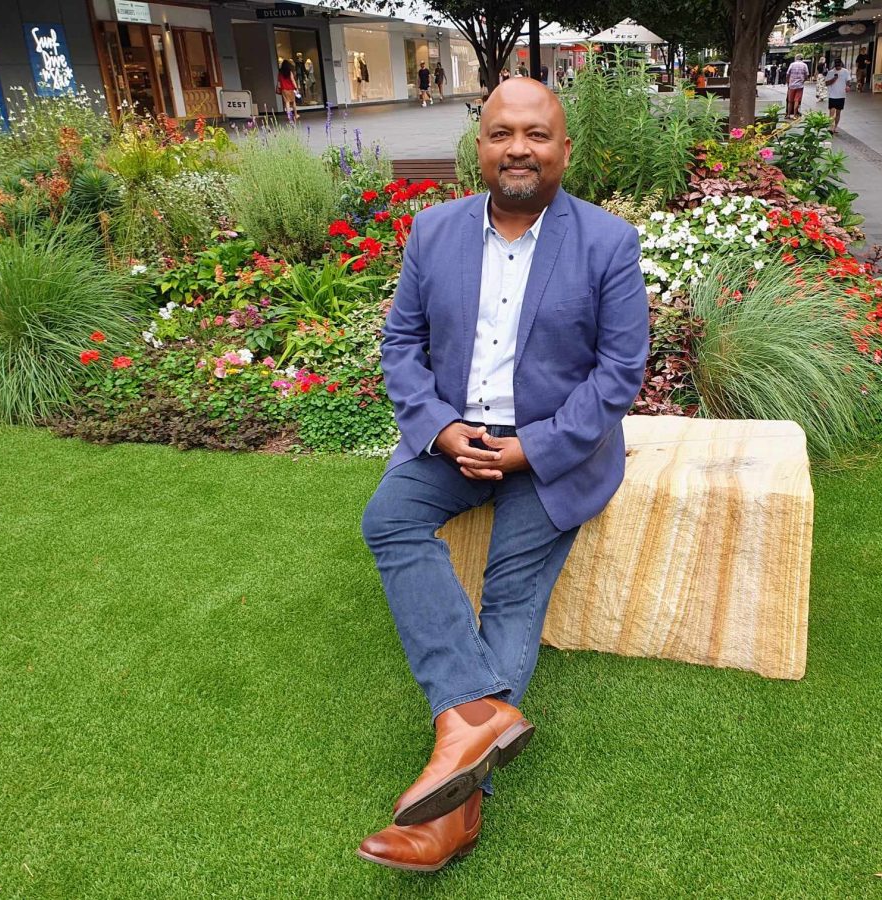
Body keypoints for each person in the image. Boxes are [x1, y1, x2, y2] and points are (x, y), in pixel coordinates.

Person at [356, 77, 650, 872]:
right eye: (501, 133)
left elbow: (620, 372)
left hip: (551, 451)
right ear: (478, 145)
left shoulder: (606, 243)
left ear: (564, 148)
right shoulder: (433, 230)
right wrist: (445, 430)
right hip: (454, 441)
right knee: (387, 519)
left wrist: (532, 447)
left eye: (536, 134)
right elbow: (400, 348)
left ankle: (450, 812)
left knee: (511, 595)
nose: (518, 147)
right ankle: (472, 716)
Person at [824, 57, 851, 134]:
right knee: (831, 112)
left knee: (838, 113)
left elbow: (848, 80)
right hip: (832, 95)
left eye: (839, 65)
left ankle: (835, 127)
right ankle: (830, 127)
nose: (838, 67)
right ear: (834, 65)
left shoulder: (845, 71)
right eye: (836, 65)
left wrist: (848, 86)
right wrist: (834, 79)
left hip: (841, 95)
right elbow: (826, 83)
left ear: (841, 64)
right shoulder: (830, 72)